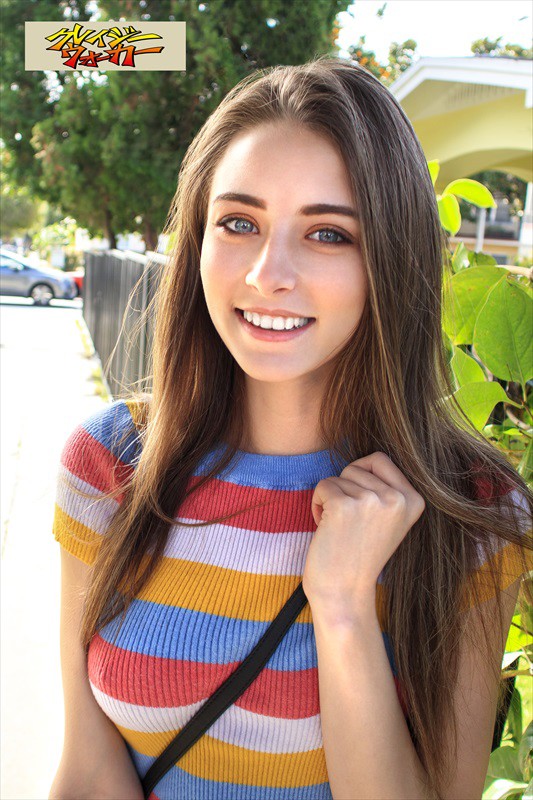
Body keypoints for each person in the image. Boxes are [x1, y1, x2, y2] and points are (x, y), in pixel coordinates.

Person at [49, 56, 532, 800]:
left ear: (392, 258)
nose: (267, 273)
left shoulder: (471, 513)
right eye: (239, 223)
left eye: (328, 234)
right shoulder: (110, 464)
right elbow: (87, 769)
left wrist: (341, 605)